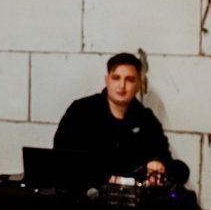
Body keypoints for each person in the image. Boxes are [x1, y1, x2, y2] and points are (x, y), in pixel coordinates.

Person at [53, 52, 174, 184]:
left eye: (129, 79)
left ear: (139, 84)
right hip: (82, 191)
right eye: (116, 78)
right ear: (107, 80)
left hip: (132, 194)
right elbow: (61, 158)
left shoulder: (146, 119)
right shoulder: (80, 111)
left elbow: (163, 156)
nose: (122, 85)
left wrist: (157, 163)